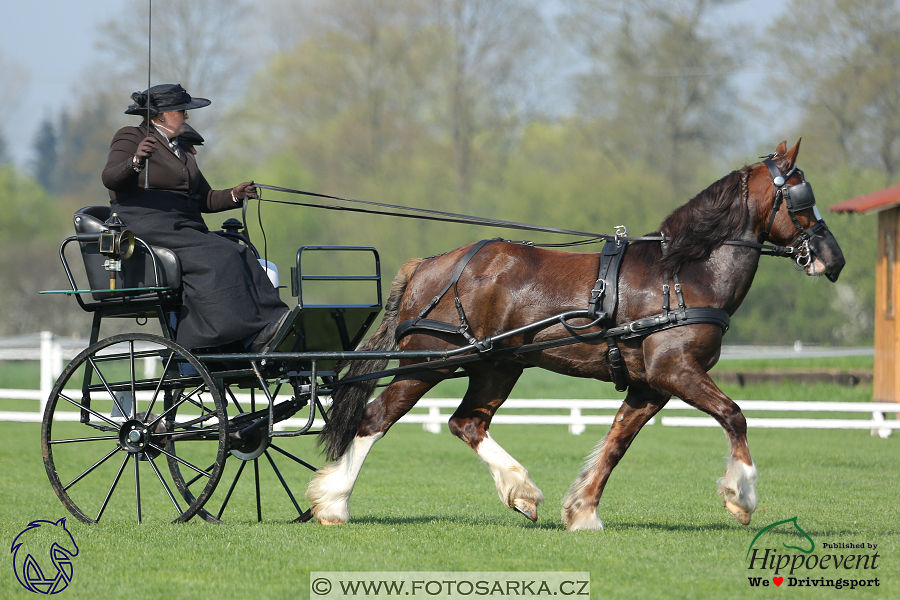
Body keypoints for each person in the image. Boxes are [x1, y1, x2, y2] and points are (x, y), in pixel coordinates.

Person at [101, 83, 289, 352]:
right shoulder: (130, 136)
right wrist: (136, 160)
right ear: (160, 115)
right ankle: (226, 337)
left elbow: (204, 199)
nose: (187, 116)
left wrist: (235, 195)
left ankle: (270, 323)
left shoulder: (182, 150)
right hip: (147, 221)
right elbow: (110, 177)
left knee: (240, 252)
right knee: (218, 257)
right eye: (182, 111)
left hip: (183, 224)